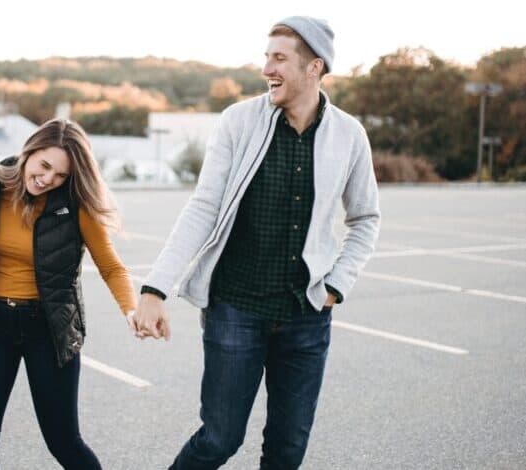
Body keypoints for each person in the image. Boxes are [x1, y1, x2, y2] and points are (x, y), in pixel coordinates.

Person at [133, 16, 381, 469]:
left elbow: (365, 218)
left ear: (314, 67)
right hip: (236, 311)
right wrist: (154, 289)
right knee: (219, 440)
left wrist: (336, 286)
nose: (267, 68)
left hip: (306, 317)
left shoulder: (349, 136)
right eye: (267, 57)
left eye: (279, 58)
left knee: (287, 453)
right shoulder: (239, 122)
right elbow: (203, 208)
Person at [0, 118, 137, 469]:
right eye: (45, 165)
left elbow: (111, 266)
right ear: (30, 151)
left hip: (49, 328)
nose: (49, 178)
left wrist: (131, 310)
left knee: (64, 443)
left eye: (61, 175)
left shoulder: (75, 205)